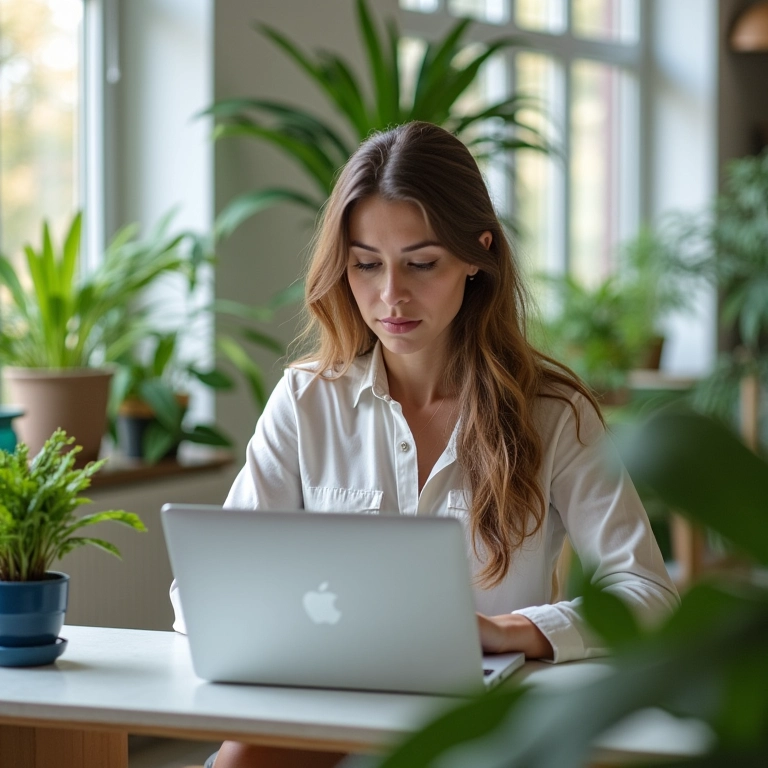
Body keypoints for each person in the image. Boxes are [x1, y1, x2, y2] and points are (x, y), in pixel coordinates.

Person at [172, 121, 679, 768]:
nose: (391, 296)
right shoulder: (305, 401)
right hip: (331, 704)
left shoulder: (553, 413)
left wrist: (509, 633)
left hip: (485, 718)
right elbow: (204, 591)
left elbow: (647, 593)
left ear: (477, 255)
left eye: (421, 263)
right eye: (365, 265)